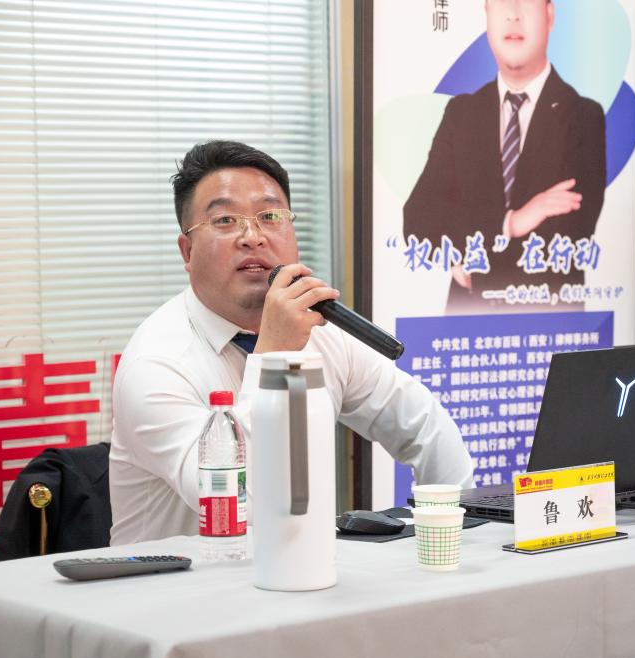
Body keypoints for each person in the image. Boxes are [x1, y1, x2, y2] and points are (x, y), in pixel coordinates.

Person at [109, 140, 473, 544]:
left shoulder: (322, 332)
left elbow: (424, 426)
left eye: (270, 216)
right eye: (225, 220)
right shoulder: (156, 363)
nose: (252, 237)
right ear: (187, 250)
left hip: (303, 570)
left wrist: (451, 535)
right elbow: (240, 502)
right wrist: (275, 354)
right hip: (185, 580)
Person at [403, 0, 606, 313]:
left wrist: (474, 260)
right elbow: (419, 218)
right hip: (463, 327)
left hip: (550, 322)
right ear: (487, 14)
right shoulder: (462, 113)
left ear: (549, 15)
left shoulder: (583, 116)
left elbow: (570, 230)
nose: (513, 13)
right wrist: (511, 223)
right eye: (501, 2)